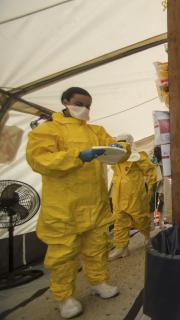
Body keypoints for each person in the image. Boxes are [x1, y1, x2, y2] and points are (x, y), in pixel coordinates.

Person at [26, 87, 129, 319]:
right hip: (64, 207)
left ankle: (99, 282)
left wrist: (122, 147)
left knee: (97, 248)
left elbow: (115, 148)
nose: (85, 110)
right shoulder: (47, 131)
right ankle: (64, 297)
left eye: (88, 106)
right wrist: (76, 157)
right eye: (80, 104)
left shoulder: (96, 131)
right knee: (63, 256)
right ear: (65, 101)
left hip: (94, 203)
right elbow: (40, 160)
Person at [108, 133, 157, 261]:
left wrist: (152, 188)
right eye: (119, 142)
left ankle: (147, 237)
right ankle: (121, 248)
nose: (121, 144)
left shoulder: (138, 156)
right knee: (119, 221)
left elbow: (151, 171)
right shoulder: (115, 159)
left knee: (140, 217)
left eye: (123, 141)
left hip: (134, 194)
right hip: (118, 195)